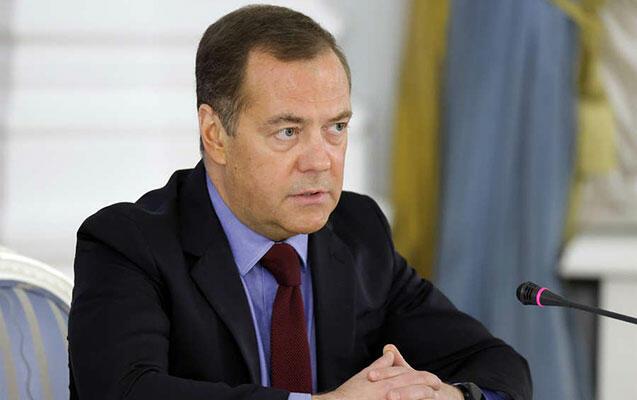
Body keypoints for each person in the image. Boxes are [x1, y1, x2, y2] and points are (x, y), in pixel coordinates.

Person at [68, 5, 531, 400]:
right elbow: (126, 391)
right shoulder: (130, 244)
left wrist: (447, 396)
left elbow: (495, 363)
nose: (320, 161)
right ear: (215, 135)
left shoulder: (357, 229)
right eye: (288, 132)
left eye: (336, 127)